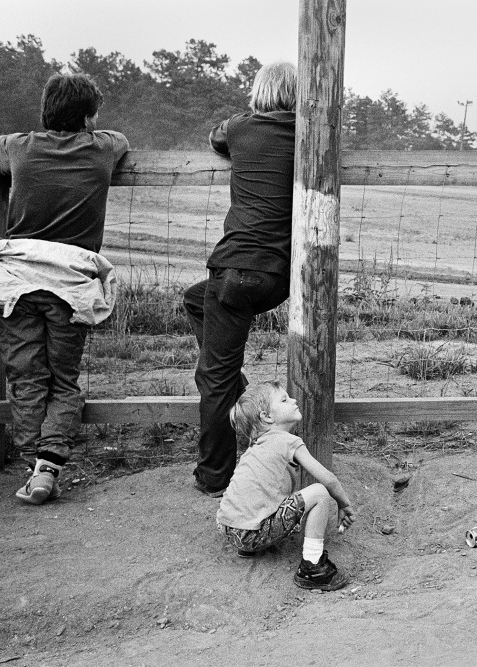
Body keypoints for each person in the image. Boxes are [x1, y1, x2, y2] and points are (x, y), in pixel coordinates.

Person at [0, 74, 128, 504]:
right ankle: (49, 465)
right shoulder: (104, 147)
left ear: (45, 111)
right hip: (71, 287)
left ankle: (31, 460)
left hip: (18, 285)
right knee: (64, 379)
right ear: (90, 116)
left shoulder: (20, 146)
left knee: (26, 375)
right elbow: (120, 138)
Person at [183, 61, 297, 497]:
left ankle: (214, 476)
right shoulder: (308, 133)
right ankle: (241, 389)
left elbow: (215, 137)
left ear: (260, 92)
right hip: (278, 276)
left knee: (214, 376)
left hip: (234, 270)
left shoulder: (240, 127)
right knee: (195, 299)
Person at [217, 381, 355, 591]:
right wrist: (344, 503)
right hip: (252, 534)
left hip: (229, 529)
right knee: (319, 492)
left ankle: (247, 548)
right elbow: (328, 478)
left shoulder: (256, 446)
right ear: (267, 416)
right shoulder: (288, 441)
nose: (294, 400)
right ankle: (312, 567)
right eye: (284, 400)